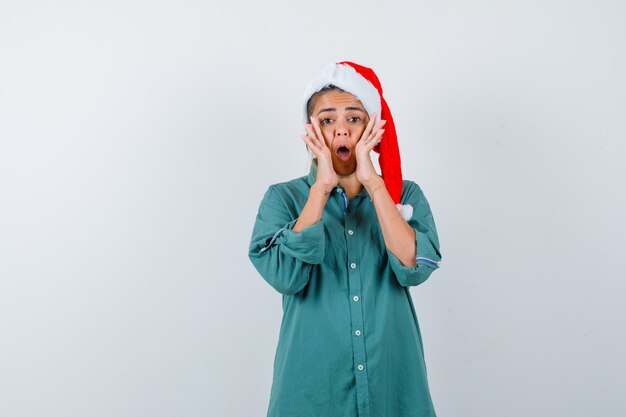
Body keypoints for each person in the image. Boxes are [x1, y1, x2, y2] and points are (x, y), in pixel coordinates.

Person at [248, 61, 443, 417]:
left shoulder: (405, 197)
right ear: (311, 132)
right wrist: (321, 187)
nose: (341, 131)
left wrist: (374, 183)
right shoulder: (282, 199)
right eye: (327, 120)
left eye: (354, 118)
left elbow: (415, 268)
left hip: (393, 389)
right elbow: (285, 276)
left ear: (372, 127)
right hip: (310, 393)